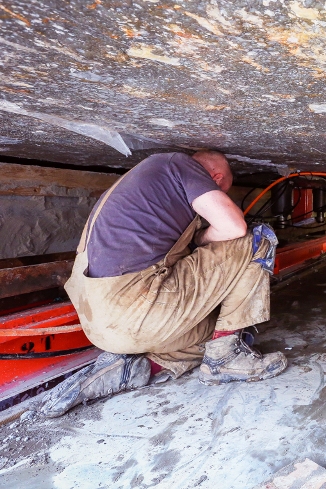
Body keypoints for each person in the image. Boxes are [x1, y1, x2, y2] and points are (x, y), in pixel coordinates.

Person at [38, 150, 286, 418]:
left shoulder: (141, 186)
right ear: (214, 177)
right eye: (222, 190)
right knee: (256, 238)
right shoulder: (178, 164)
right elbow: (234, 227)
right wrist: (203, 237)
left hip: (97, 323)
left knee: (219, 329)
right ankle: (226, 359)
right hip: (138, 308)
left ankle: (133, 369)